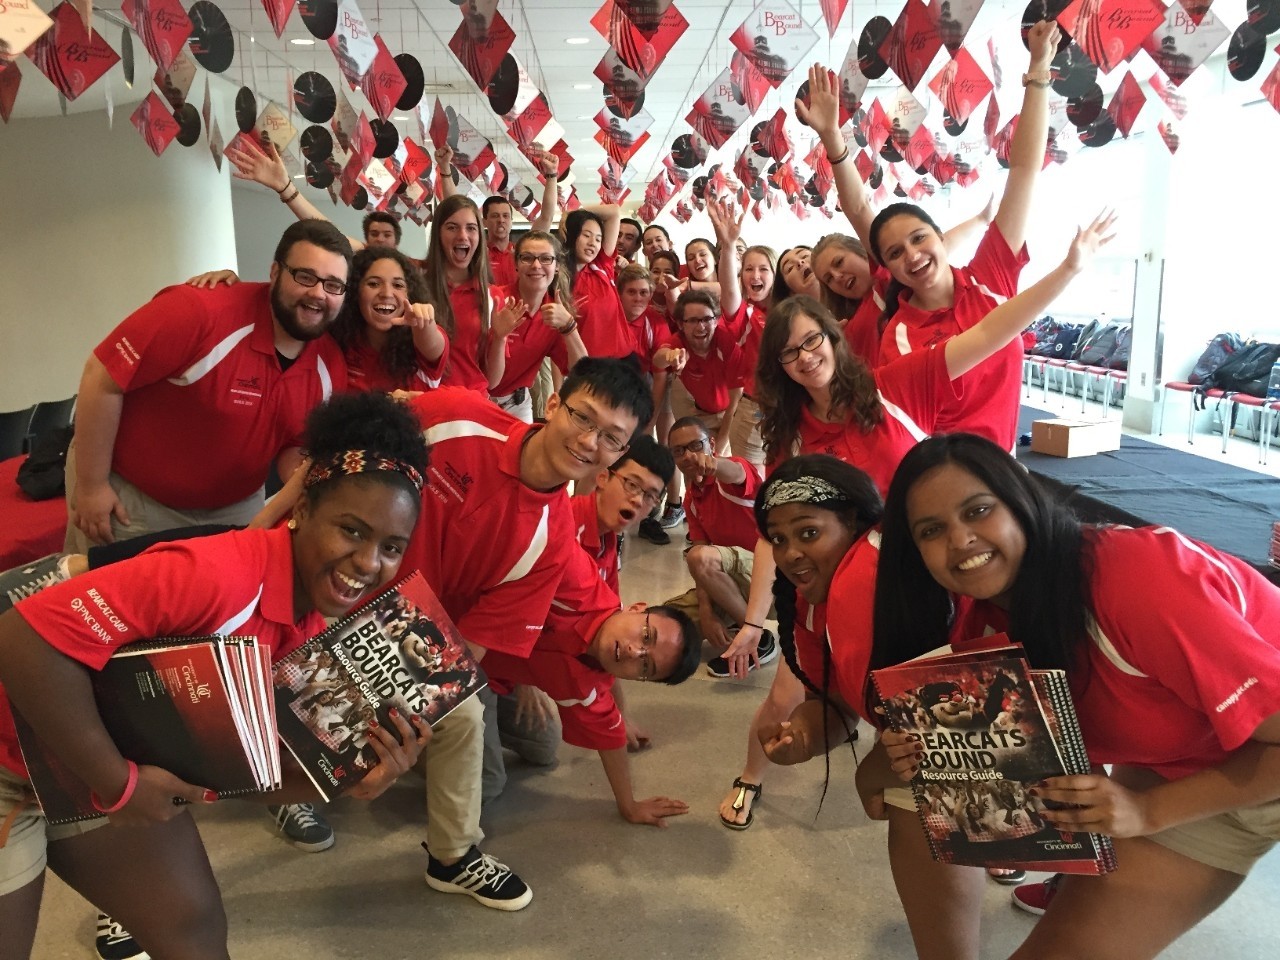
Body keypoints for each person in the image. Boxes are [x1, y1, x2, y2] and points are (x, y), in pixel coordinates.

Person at [714, 210, 1115, 833]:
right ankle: (749, 775)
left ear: (834, 337)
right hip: (856, 597)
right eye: (789, 354)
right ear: (780, 369)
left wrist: (1068, 267)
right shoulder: (795, 442)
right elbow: (778, 538)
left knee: (987, 696)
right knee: (801, 695)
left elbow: (993, 329)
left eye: (812, 341)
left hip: (943, 574)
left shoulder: (894, 387)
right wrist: (752, 622)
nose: (804, 358)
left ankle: (1023, 827)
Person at [0, 392, 432, 960]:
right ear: (302, 509)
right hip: (16, 753)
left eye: (391, 546)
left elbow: (241, 769)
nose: (370, 562)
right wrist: (119, 785)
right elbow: (21, 639)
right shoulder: (218, 575)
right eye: (351, 530)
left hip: (86, 766)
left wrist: (347, 782)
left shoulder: (306, 628)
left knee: (193, 933)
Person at [867, 432, 1280, 960]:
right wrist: (900, 763)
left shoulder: (1133, 578)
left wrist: (1150, 812)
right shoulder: (982, 635)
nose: (960, 539)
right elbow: (1002, 794)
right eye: (931, 530)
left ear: (1021, 500)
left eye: (978, 510)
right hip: (1187, 769)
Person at [797, 21, 1060, 451]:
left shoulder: (989, 279)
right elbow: (859, 209)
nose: (912, 255)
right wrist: (831, 137)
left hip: (1008, 469)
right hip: (944, 478)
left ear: (940, 236)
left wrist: (1038, 73)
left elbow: (1026, 171)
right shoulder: (898, 333)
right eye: (895, 252)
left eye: (919, 239)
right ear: (886, 264)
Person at [64, 219, 350, 553]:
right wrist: (92, 486)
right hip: (136, 501)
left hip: (236, 511)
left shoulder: (329, 365)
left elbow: (293, 443)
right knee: (98, 598)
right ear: (275, 273)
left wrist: (313, 478)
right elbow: (101, 377)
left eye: (333, 285)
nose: (318, 293)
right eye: (305, 276)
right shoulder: (199, 312)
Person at [480, 548, 701, 828]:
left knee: (544, 747)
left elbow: (610, 736)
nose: (635, 652)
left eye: (646, 668)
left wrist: (629, 806)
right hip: (445, 639)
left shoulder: (587, 686)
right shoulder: (578, 581)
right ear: (635, 608)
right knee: (488, 784)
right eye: (646, 635)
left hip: (487, 673)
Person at [189, 247, 446, 394]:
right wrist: (235, 288)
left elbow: (432, 344)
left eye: (398, 285)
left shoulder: (422, 340)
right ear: (355, 292)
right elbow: (298, 301)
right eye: (373, 283)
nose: (387, 293)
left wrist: (424, 322)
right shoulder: (337, 338)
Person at [661, 417, 776, 680]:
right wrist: (706, 612)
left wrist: (713, 464)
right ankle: (735, 621)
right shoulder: (692, 498)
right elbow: (699, 565)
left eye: (695, 446)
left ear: (711, 444)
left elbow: (737, 473)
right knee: (665, 622)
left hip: (773, 582)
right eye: (679, 451)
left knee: (701, 558)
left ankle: (757, 636)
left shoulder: (732, 471)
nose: (689, 456)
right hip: (735, 582)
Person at [486, 230, 586, 422]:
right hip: (480, 399)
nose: (536, 265)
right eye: (527, 258)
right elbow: (488, 379)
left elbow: (581, 372)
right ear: (515, 264)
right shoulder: (494, 299)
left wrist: (569, 326)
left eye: (546, 259)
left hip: (517, 405)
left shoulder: (556, 313)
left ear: (557, 266)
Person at [707, 196, 775, 468]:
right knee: (750, 481)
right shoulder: (746, 315)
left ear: (775, 273)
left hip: (796, 409)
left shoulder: (795, 310)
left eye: (763, 269)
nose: (755, 275)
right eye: (748, 269)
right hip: (753, 411)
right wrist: (728, 245)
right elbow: (728, 290)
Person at [437, 144, 559, 286]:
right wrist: (445, 169)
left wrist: (551, 175)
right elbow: (454, 211)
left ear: (511, 221)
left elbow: (546, 217)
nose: (501, 220)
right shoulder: (476, 252)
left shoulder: (523, 253)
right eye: (495, 216)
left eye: (506, 216)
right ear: (484, 221)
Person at [564, 203, 636, 359]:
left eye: (598, 239)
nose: (592, 243)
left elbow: (614, 212)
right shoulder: (561, 278)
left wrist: (572, 212)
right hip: (587, 365)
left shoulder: (602, 265)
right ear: (572, 235)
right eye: (586, 235)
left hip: (623, 360)